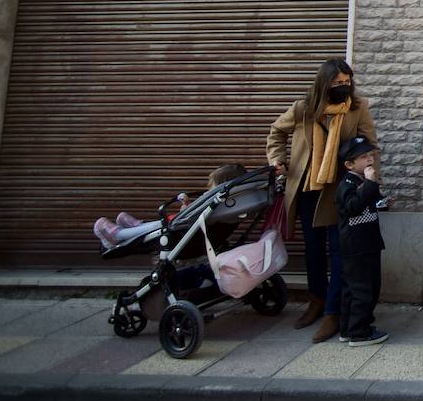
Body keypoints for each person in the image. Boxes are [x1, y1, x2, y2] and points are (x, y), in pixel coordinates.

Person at [268, 58, 377, 343]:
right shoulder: (305, 108)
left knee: (340, 250)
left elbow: (370, 145)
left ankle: (333, 311)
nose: (344, 87)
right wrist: (278, 159)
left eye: (347, 82)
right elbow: (277, 131)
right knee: (313, 249)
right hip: (307, 187)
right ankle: (315, 299)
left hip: (340, 190)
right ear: (324, 84)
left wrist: (371, 183)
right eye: (338, 83)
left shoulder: (357, 107)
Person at [93, 163, 247, 248]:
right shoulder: (231, 206)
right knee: (153, 226)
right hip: (186, 228)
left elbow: (189, 216)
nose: (209, 188)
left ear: (221, 186)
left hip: (179, 230)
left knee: (154, 228)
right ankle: (135, 225)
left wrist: (185, 204)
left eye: (212, 185)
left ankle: (117, 235)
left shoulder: (217, 201)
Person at [335, 136, 388, 347]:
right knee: (363, 290)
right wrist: (370, 183)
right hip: (357, 246)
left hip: (368, 242)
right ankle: (359, 331)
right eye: (363, 157)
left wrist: (382, 202)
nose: (369, 160)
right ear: (349, 164)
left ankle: (348, 328)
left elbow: (368, 202)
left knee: (354, 289)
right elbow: (352, 206)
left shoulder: (361, 182)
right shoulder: (348, 183)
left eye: (371, 155)